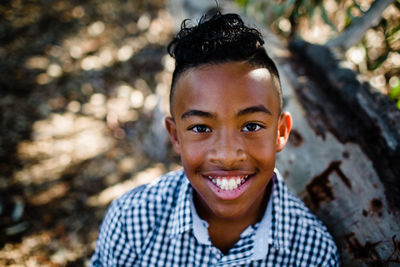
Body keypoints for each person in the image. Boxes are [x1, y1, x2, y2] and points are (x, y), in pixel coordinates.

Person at [90, 12, 340, 266]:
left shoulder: (312, 254)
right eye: (201, 128)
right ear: (175, 136)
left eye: (251, 126)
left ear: (281, 132)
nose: (227, 155)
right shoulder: (132, 224)